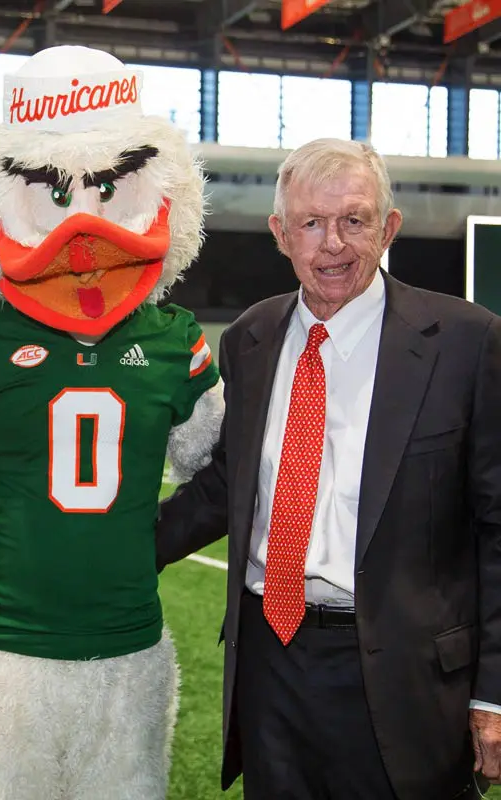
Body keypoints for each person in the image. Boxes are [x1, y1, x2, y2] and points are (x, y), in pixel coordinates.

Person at [155, 137, 501, 800]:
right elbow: (231, 481)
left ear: (388, 227)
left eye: (354, 220)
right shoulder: (250, 339)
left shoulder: (466, 341)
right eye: (311, 223)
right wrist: (117, 553)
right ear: (280, 234)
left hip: (405, 675)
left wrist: (495, 694)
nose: (333, 244)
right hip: (270, 663)